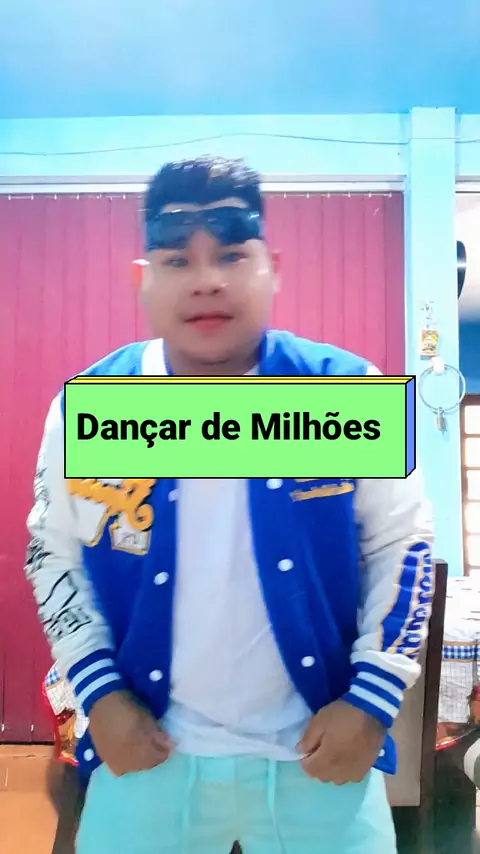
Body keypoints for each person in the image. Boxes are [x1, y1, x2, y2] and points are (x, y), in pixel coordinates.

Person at [25, 155, 434, 854]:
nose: (207, 279)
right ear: (143, 279)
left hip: (320, 757)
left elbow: (406, 544)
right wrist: (98, 692)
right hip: (147, 756)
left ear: (273, 268)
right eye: (177, 260)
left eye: (233, 255)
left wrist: (374, 699)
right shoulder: (93, 405)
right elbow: (52, 553)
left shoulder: (344, 392)